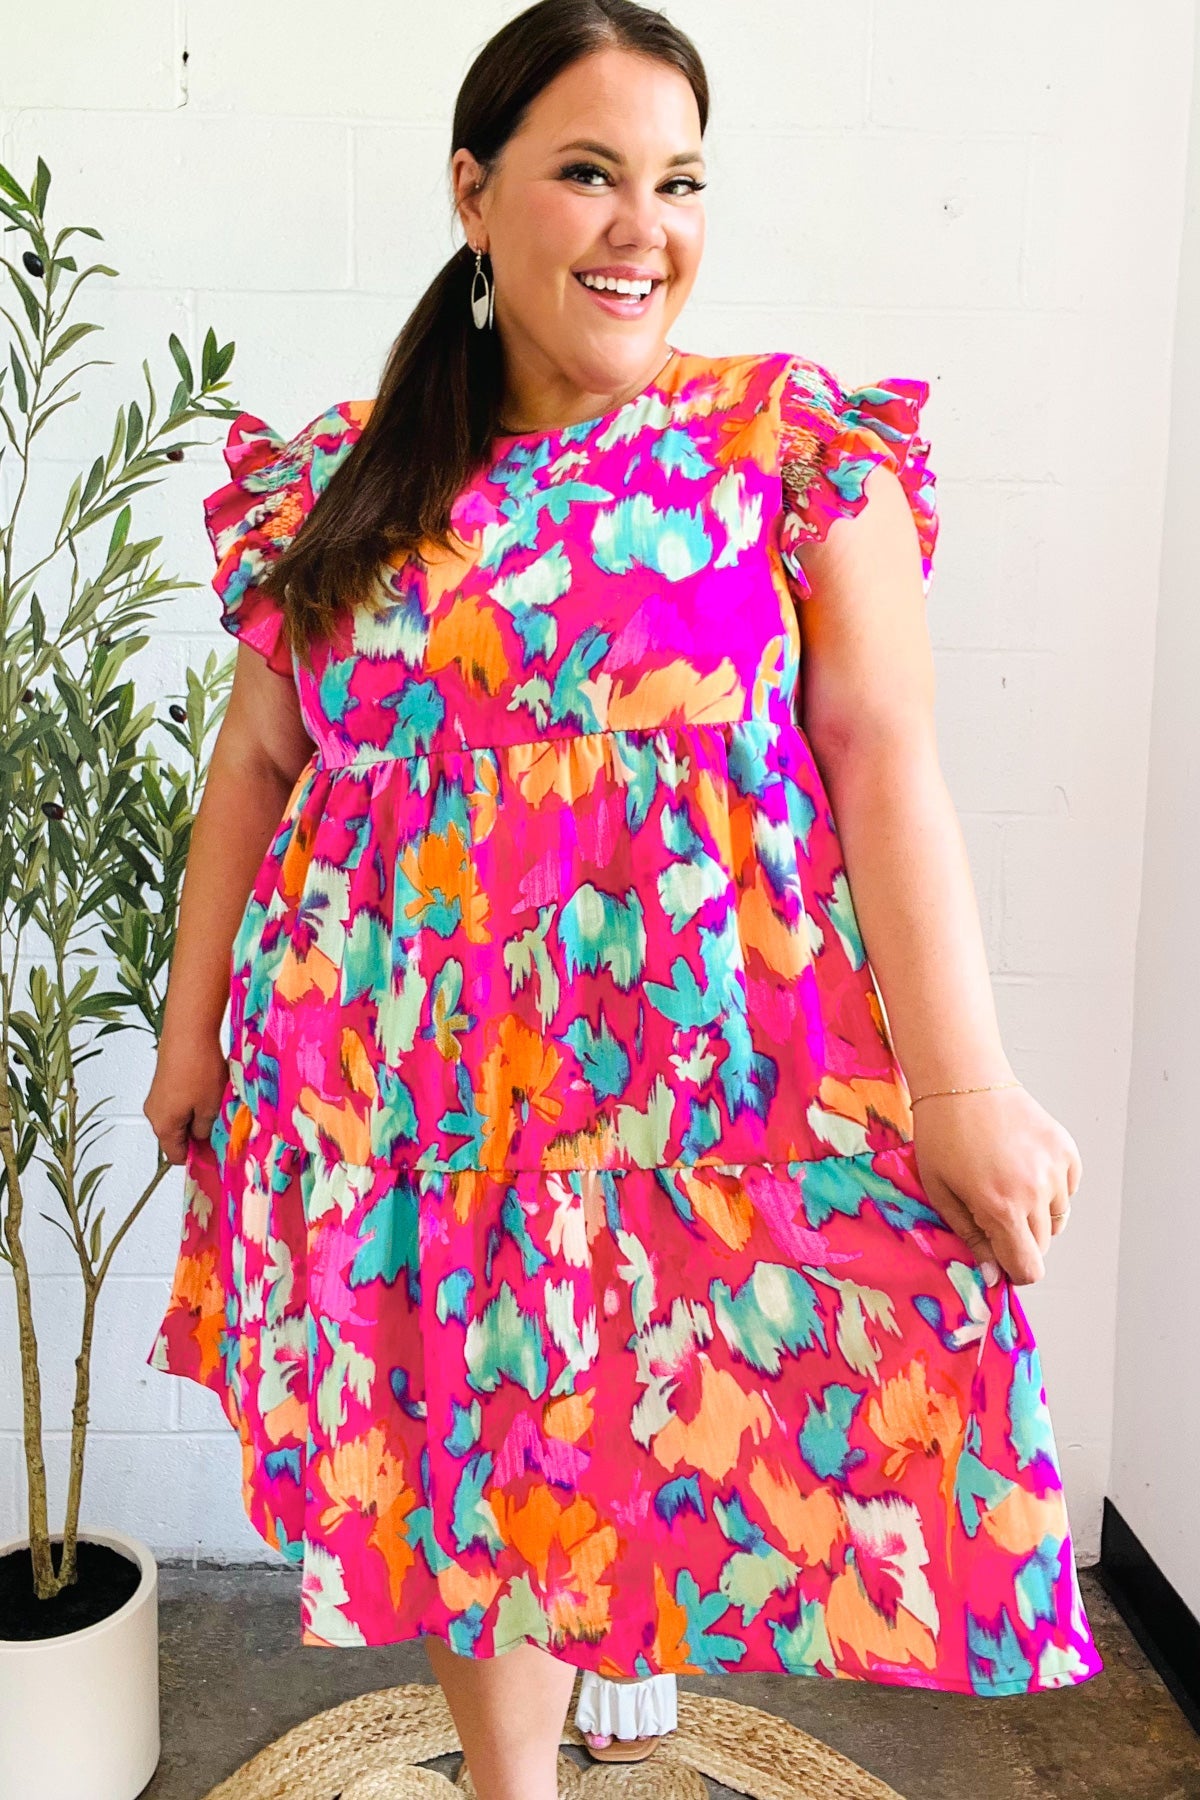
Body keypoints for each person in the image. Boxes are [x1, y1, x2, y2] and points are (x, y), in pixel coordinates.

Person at [143, 2, 1104, 1796]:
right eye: (589, 172)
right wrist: (189, 1033)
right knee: (469, 1471)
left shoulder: (785, 443)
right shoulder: (344, 478)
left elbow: (882, 755)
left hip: (696, 1089)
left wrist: (962, 1082)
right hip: (399, 1098)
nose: (642, 225)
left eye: (679, 181)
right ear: (472, 193)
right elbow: (257, 772)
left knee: (684, 1434)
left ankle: (615, 1688)